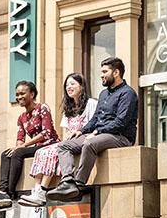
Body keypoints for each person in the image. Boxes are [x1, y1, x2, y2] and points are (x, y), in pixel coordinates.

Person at [46, 57, 138, 202]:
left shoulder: (128, 94)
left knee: (90, 144)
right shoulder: (104, 94)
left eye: (104, 71)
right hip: (100, 135)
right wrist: (82, 131)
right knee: (63, 146)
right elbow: (95, 119)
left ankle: (78, 184)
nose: (101, 75)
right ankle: (68, 181)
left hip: (120, 137)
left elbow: (121, 123)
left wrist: (96, 133)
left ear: (116, 73)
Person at [18, 72, 98, 207]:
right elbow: (66, 131)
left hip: (85, 138)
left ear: (82, 86)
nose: (69, 87)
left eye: (73, 84)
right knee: (41, 151)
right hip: (70, 141)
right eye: (67, 85)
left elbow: (95, 123)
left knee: (52, 151)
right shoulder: (68, 107)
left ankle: (43, 190)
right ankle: (37, 190)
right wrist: (68, 136)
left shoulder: (91, 103)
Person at [0, 80, 59, 210]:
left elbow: (46, 133)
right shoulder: (22, 117)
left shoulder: (42, 108)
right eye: (17, 94)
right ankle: (2, 191)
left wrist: (21, 147)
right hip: (35, 147)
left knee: (18, 152)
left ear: (32, 94)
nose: (19, 97)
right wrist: (18, 146)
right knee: (6, 153)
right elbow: (20, 138)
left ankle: (10, 193)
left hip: (49, 145)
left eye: (22, 93)